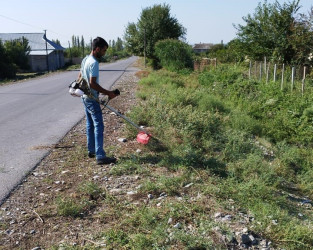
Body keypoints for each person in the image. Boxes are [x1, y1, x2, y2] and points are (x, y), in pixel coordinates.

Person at [77, 37, 118, 165]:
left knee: (90, 124)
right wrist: (109, 93)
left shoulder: (85, 60)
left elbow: (79, 76)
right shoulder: (94, 62)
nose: (104, 53)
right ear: (97, 49)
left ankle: (92, 150)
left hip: (84, 97)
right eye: (104, 51)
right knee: (99, 125)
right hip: (91, 98)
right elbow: (92, 83)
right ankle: (100, 155)